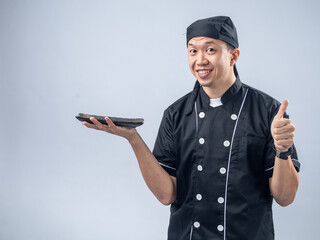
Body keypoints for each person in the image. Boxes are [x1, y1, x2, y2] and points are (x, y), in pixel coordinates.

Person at [83, 16, 300, 240]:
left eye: (210, 50)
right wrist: (134, 139)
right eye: (193, 51)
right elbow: (167, 194)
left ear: (234, 55)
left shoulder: (267, 111)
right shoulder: (176, 114)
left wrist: (282, 150)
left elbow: (285, 197)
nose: (200, 60)